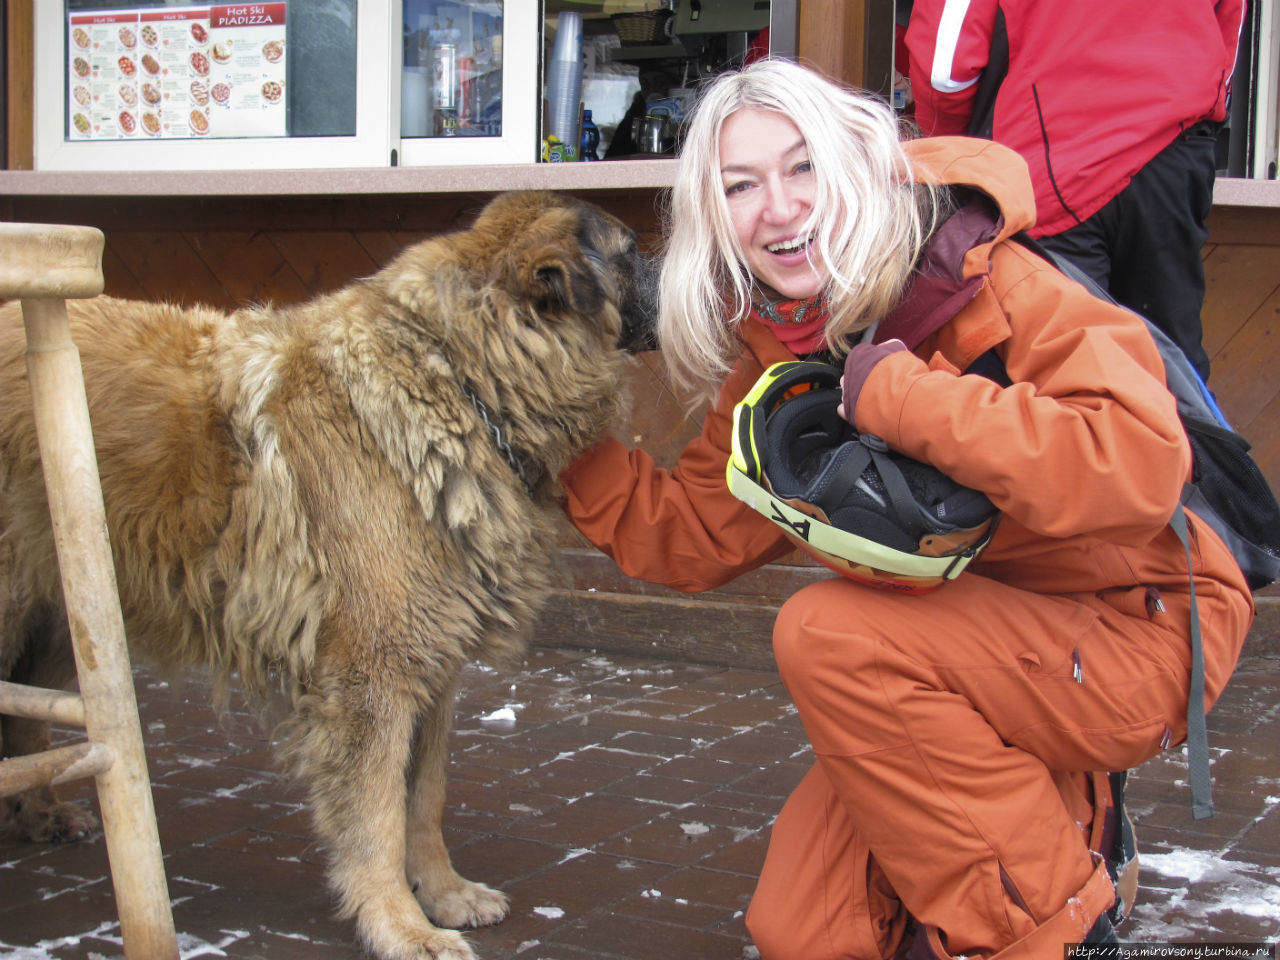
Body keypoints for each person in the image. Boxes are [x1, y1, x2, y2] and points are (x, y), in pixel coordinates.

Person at [560, 58, 1254, 958]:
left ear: (855, 164)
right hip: (963, 653)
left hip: (1141, 626)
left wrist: (904, 398)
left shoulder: (997, 285)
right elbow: (694, 535)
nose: (779, 206)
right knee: (803, 930)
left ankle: (1061, 931)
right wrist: (553, 440)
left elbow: (1141, 467)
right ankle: (1067, 815)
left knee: (833, 635)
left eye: (802, 166)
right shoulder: (779, 355)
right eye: (741, 185)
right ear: (715, 218)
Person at [904, 0, 1247, 383]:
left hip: (1052, 160)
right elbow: (1230, 20)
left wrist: (956, 153)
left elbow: (945, 70)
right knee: (1173, 375)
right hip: (1170, 148)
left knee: (1059, 377)